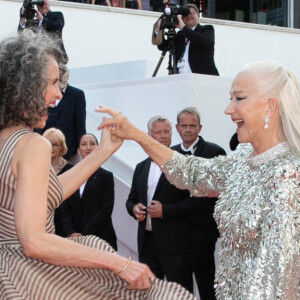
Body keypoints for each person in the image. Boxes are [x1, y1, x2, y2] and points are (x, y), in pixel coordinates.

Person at [0, 30, 197, 299]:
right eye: (53, 83)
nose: (58, 94)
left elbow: (46, 194)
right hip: (27, 275)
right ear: (26, 87)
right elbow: (34, 241)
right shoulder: (32, 145)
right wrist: (121, 263)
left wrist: (104, 151)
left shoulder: (7, 141)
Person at [98, 59, 300, 299]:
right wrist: (136, 135)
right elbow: (191, 173)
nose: (228, 109)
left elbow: (279, 275)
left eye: (239, 98)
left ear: (270, 106)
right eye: (230, 98)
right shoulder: (244, 157)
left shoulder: (289, 173)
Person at [126, 116, 193, 293]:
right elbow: (130, 199)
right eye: (158, 132)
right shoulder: (141, 167)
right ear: (149, 135)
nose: (163, 136)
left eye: (166, 132)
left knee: (179, 294)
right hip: (147, 244)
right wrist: (134, 209)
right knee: (148, 292)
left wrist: (165, 211)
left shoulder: (184, 163)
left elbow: (194, 202)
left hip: (175, 245)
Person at [172, 107, 226, 300]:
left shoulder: (215, 152)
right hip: (176, 236)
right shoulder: (170, 153)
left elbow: (215, 194)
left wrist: (171, 211)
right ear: (177, 128)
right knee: (179, 288)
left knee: (206, 284)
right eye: (184, 126)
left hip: (203, 234)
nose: (188, 129)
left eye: (192, 125)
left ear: (199, 127)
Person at [57, 133, 118, 251]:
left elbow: (105, 210)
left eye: (92, 144)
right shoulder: (70, 174)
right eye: (84, 144)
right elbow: (63, 207)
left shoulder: (106, 176)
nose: (88, 147)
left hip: (99, 239)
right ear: (78, 150)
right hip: (71, 239)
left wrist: (84, 235)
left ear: (98, 148)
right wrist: (71, 232)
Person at [37, 65, 86, 162]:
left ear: (67, 77)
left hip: (68, 149)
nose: (59, 83)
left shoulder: (77, 95)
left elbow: (80, 123)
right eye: (56, 80)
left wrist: (80, 146)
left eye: (61, 80)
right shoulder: (45, 91)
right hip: (45, 147)